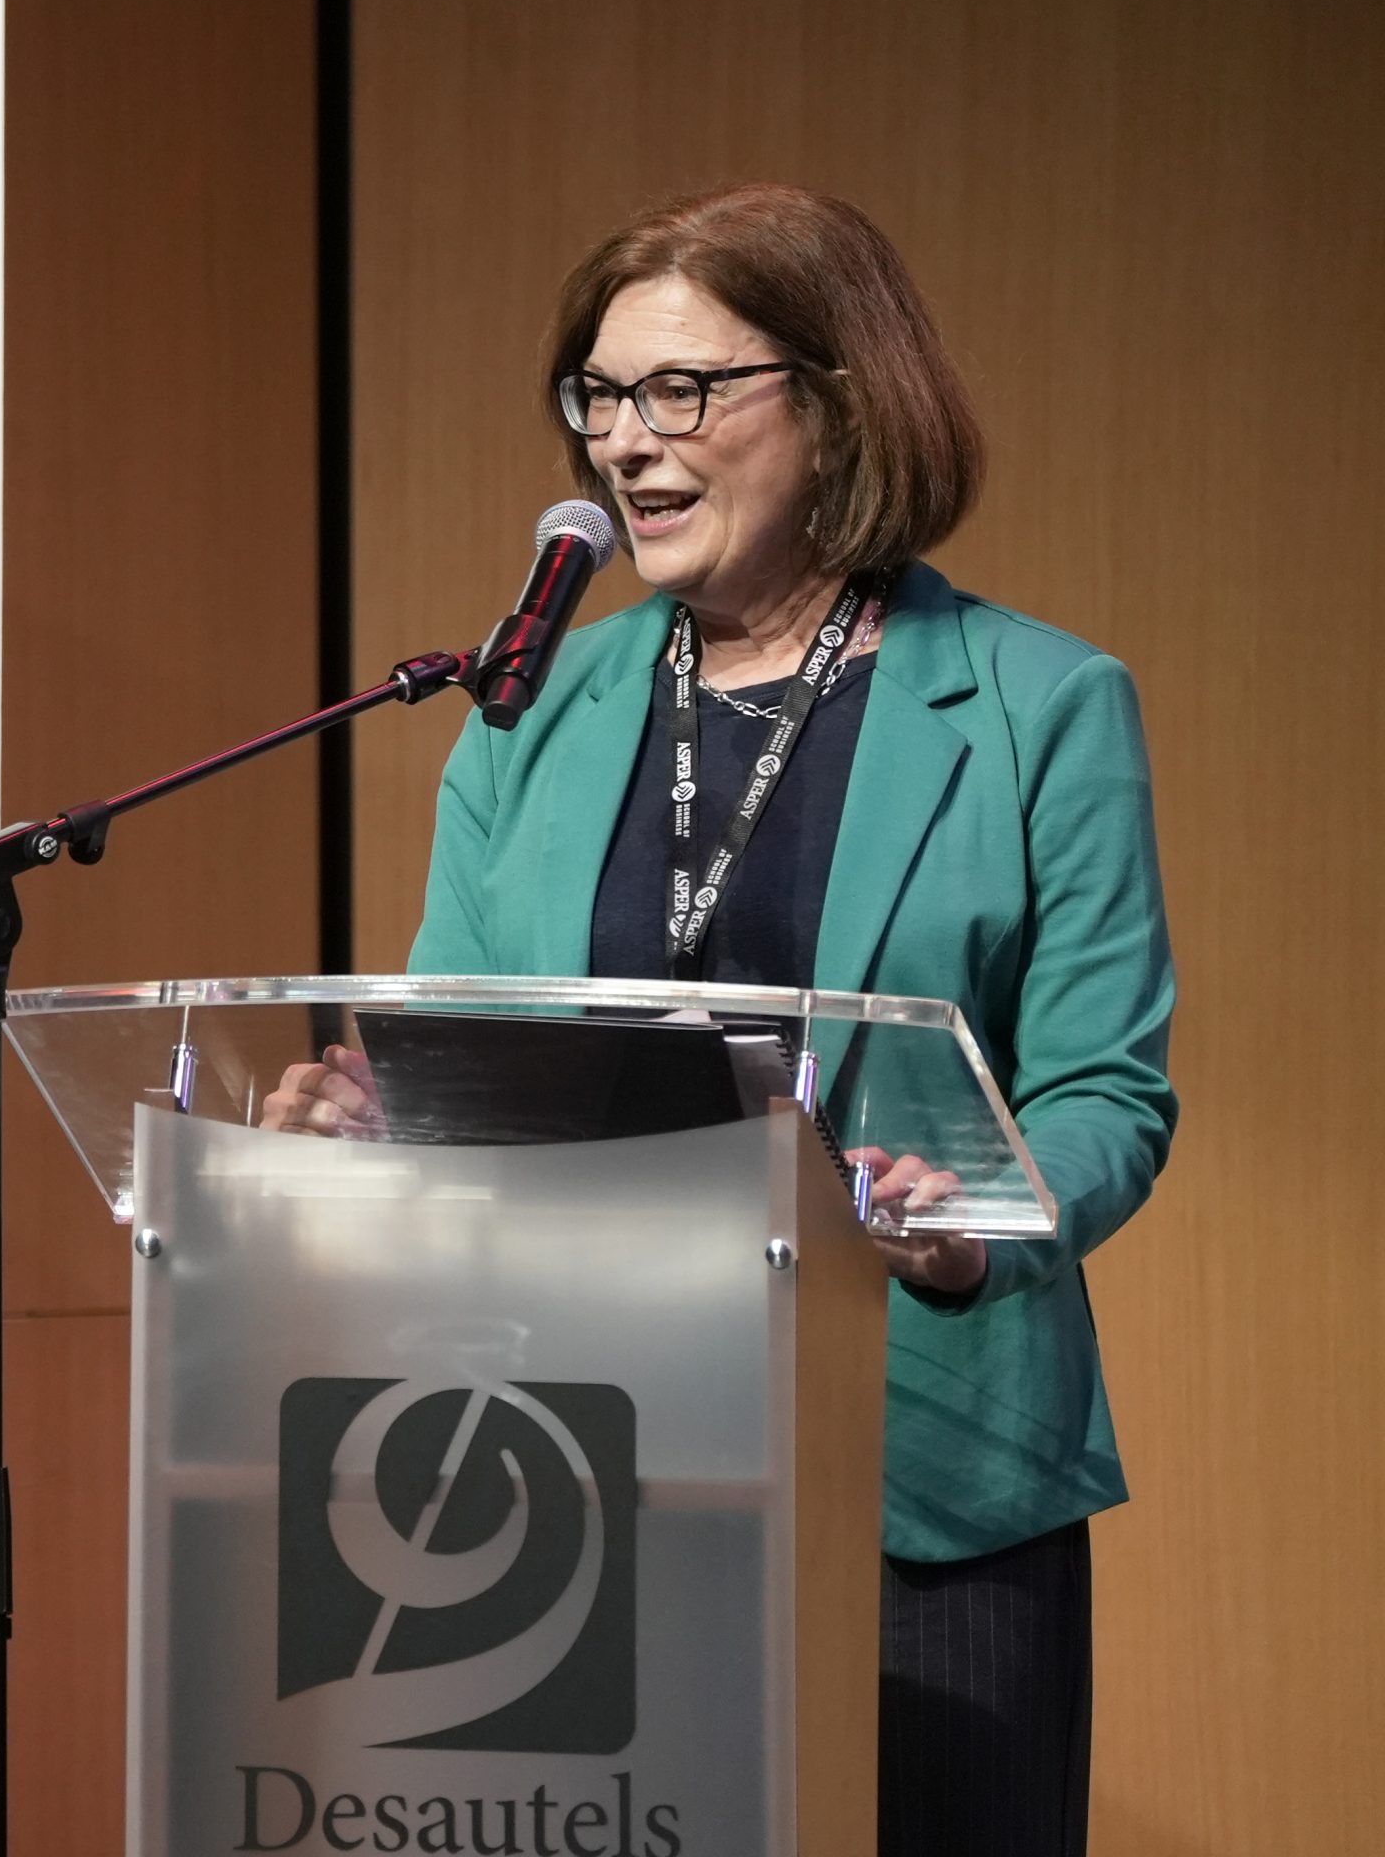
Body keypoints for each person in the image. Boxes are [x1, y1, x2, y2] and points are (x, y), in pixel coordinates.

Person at [264, 184, 1175, 1857]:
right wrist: (358, 1130)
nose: (625, 440)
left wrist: (972, 1218)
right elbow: (444, 1056)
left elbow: (1108, 1090)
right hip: (575, 1462)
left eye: (681, 389)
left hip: (923, 1473)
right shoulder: (528, 712)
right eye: (600, 396)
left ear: (839, 407)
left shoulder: (1040, 705)